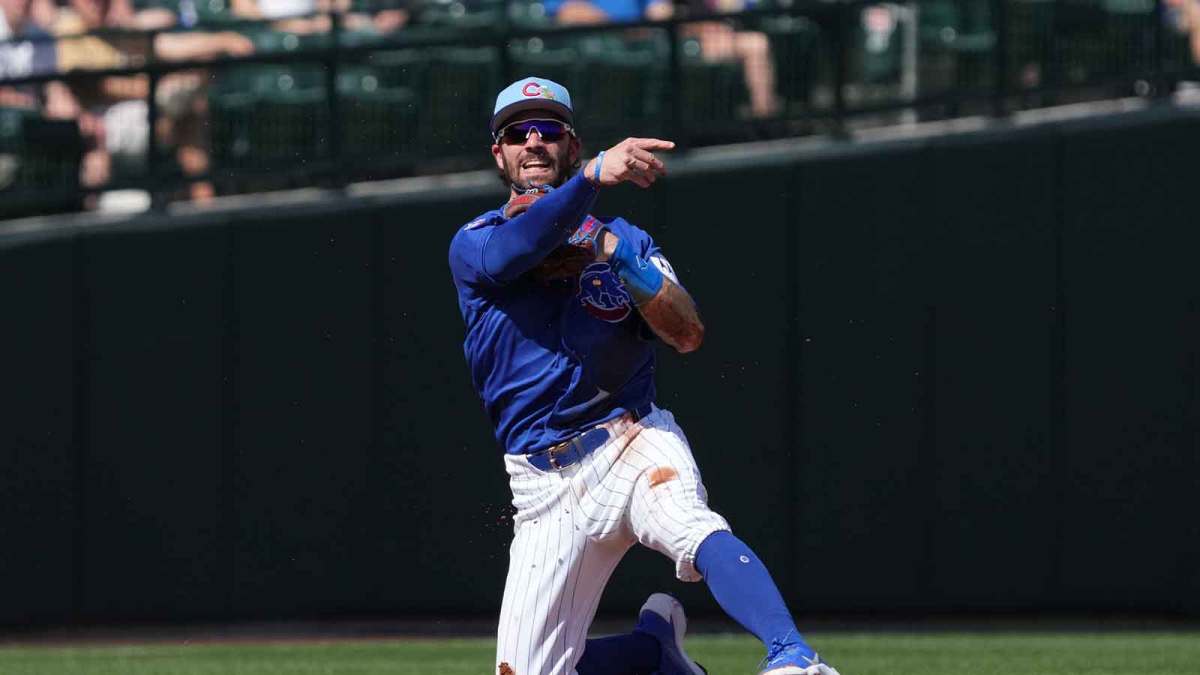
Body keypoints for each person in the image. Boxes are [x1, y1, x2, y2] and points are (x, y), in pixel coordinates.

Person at [448, 76, 843, 675]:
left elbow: (686, 332)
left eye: (550, 130)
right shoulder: (474, 242)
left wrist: (621, 258)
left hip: (628, 437)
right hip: (541, 483)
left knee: (688, 525)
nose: (534, 141)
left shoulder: (625, 238)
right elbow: (515, 252)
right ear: (497, 153)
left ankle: (794, 658)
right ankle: (650, 651)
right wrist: (588, 185)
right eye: (517, 132)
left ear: (571, 147)